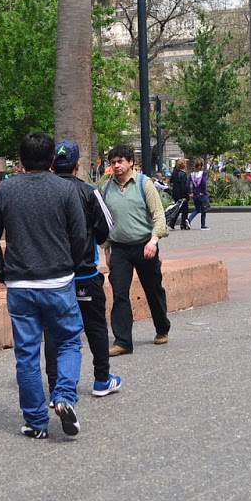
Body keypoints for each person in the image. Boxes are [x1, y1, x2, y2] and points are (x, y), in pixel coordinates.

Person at [0, 131, 89, 440]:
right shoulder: (65, 189)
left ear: (21, 160)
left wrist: (2, 271)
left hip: (20, 284)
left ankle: (35, 422)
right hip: (58, 281)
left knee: (27, 354)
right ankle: (64, 396)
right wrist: (70, 263)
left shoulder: (5, 190)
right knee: (69, 341)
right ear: (52, 160)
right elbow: (80, 234)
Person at [41, 141, 121, 399]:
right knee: (95, 325)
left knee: (54, 331)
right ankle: (101, 379)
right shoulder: (89, 191)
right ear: (77, 166)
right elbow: (107, 227)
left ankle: (56, 387)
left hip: (54, 276)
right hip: (85, 272)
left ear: (53, 164)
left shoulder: (45, 192)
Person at [99, 142, 172, 356]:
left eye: (120, 161)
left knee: (153, 289)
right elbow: (104, 221)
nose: (116, 166)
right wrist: (107, 248)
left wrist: (154, 240)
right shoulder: (106, 188)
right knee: (119, 293)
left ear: (131, 162)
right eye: (113, 163)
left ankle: (162, 328)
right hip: (120, 248)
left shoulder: (144, 184)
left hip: (144, 246)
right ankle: (123, 341)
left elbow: (159, 215)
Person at [167, 158, 192, 230]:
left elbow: (171, 181)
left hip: (175, 192)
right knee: (185, 209)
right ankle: (183, 224)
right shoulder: (183, 174)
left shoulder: (175, 172)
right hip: (181, 193)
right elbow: (184, 186)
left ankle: (172, 222)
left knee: (177, 208)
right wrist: (186, 195)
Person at [188, 160, 211, 230]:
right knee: (204, 209)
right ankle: (203, 225)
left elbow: (187, 184)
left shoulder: (192, 174)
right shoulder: (203, 174)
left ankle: (189, 220)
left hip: (195, 194)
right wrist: (203, 191)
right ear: (201, 166)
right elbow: (203, 182)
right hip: (202, 194)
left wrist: (190, 192)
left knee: (197, 209)